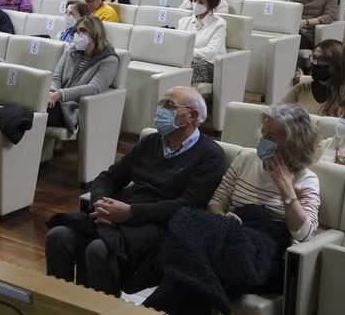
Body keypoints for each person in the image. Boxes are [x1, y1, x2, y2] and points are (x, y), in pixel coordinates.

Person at [152, 103, 321, 315]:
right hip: (227, 241)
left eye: (273, 136)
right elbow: (216, 202)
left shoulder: (306, 179)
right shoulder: (245, 159)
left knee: (196, 263)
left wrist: (285, 185)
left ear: (293, 142)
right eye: (264, 132)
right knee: (199, 270)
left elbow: (303, 234)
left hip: (264, 257)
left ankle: (147, 314)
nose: (264, 139)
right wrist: (228, 219)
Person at [44, 86, 224, 296]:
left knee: (98, 250)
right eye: (160, 104)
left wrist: (130, 212)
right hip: (122, 214)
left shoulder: (210, 155)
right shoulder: (151, 142)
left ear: (192, 116)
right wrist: (101, 202)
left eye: (169, 105)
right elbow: (110, 177)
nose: (161, 110)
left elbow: (187, 204)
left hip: (157, 226)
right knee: (58, 236)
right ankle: (59, 307)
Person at [47, 16, 121, 134]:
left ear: (95, 33)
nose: (78, 34)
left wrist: (59, 95)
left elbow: (94, 88)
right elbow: (56, 78)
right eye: (77, 31)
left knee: (34, 114)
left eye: (83, 31)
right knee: (29, 110)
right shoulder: (72, 50)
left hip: (72, 109)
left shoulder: (109, 59)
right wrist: (51, 93)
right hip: (55, 102)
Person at [282, 39, 345, 117]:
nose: (315, 63)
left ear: (337, 64)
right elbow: (277, 114)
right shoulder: (302, 88)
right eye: (314, 58)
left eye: (321, 59)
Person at [179, 0, 228, 93]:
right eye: (194, 0)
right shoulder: (184, 21)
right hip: (186, 61)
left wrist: (190, 54)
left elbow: (211, 51)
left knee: (188, 67)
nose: (196, 4)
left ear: (210, 4)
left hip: (210, 64)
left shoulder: (219, 24)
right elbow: (178, 44)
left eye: (201, 2)